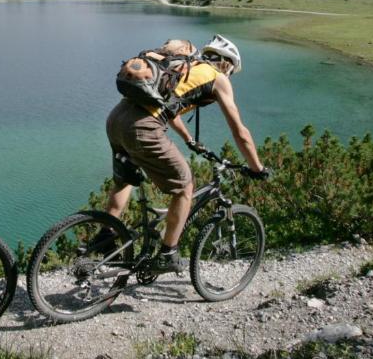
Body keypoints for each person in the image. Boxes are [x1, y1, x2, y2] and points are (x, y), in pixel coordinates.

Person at [104, 35, 269, 274]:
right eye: (231, 70)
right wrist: (257, 167)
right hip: (142, 128)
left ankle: (104, 237)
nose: (230, 75)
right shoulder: (217, 77)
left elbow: (167, 107)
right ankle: (167, 254)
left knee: (125, 179)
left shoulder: (182, 67)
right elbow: (240, 132)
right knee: (185, 187)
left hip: (116, 119)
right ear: (227, 63)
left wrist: (189, 140)